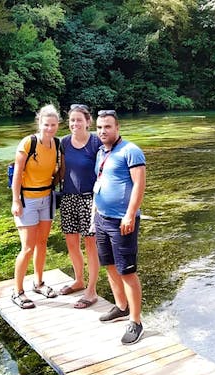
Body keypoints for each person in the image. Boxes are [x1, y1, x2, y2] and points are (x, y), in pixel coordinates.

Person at [93, 109, 146, 345]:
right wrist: (95, 211)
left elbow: (138, 184)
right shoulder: (101, 152)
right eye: (100, 127)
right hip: (101, 218)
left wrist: (130, 215)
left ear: (118, 128)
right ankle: (121, 307)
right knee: (110, 266)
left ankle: (136, 322)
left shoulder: (131, 151)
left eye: (107, 127)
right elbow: (101, 181)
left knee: (127, 271)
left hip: (122, 221)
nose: (103, 131)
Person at [10, 104, 62, 309]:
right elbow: (17, 173)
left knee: (42, 243)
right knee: (28, 247)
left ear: (58, 125)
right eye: (46, 124)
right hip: (27, 200)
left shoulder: (57, 145)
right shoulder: (28, 143)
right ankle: (17, 292)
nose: (50, 128)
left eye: (53, 125)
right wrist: (15, 200)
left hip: (47, 198)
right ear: (39, 123)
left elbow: (56, 172)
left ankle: (38, 283)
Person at [58, 104, 102, 309]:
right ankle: (78, 280)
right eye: (72, 120)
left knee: (91, 245)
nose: (75, 124)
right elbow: (62, 170)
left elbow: (104, 169)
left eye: (79, 120)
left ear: (88, 121)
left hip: (90, 199)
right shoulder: (64, 142)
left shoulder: (96, 142)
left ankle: (91, 290)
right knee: (71, 242)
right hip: (68, 197)